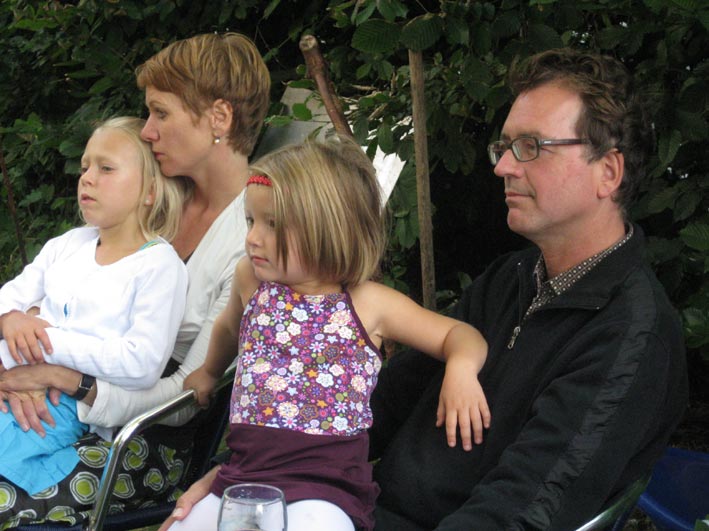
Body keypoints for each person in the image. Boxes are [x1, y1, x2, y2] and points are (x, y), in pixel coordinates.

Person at [367, 48, 689, 530]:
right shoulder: (511, 277)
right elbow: (383, 402)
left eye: (532, 146)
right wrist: (280, 455)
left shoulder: (632, 337)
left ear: (608, 172)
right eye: (505, 146)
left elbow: (522, 511)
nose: (503, 167)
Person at [0, 32, 270, 527]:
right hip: (48, 400)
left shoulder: (251, 240)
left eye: (160, 113)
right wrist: (23, 343)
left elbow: (185, 399)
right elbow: (63, 282)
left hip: (142, 436)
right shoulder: (148, 195)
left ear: (219, 118)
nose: (147, 131)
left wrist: (59, 376)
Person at [164, 135, 490, 531]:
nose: (252, 237)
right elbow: (230, 327)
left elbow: (459, 334)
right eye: (251, 221)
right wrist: (209, 371)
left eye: (273, 224)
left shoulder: (369, 303)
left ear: (328, 229)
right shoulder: (252, 280)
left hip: (325, 492)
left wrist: (461, 369)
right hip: (243, 477)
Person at [0, 116, 188, 495]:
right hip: (11, 377)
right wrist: (10, 319)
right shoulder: (68, 244)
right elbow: (11, 295)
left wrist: (46, 347)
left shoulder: (159, 266)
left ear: (150, 192)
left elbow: (142, 363)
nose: (87, 178)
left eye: (106, 168)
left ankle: (46, 488)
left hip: (64, 404)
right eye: (85, 167)